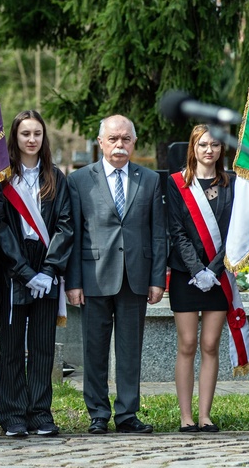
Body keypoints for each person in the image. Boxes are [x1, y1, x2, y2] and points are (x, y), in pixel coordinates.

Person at [65, 114, 166, 435]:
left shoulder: (149, 179)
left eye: (125, 139)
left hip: (135, 277)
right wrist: (74, 281)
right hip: (93, 276)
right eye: (113, 139)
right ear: (101, 143)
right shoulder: (79, 180)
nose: (119, 145)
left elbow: (158, 233)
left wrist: (157, 278)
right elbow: (73, 233)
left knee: (129, 349)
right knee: (94, 350)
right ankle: (97, 413)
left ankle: (127, 414)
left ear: (134, 143)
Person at [0, 111, 73, 438]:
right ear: (15, 137)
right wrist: (25, 272)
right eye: (25, 133)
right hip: (13, 266)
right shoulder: (2, 177)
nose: (31, 139)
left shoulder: (56, 177)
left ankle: (40, 413)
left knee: (43, 345)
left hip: (47, 264)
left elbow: (66, 225)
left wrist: (50, 270)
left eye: (37, 133)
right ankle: (12, 415)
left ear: (43, 137)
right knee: (11, 346)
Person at [167, 125, 235, 433]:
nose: (209, 150)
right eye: (203, 144)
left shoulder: (230, 184)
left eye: (215, 145)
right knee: (188, 343)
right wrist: (198, 270)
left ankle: (205, 415)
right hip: (187, 275)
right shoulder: (177, 183)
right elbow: (177, 231)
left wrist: (215, 270)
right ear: (193, 147)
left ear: (222, 150)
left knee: (210, 344)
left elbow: (235, 232)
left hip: (218, 276)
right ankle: (186, 417)